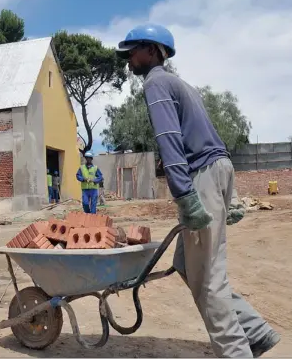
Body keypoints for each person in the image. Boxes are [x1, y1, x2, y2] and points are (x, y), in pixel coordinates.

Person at [115, 24, 279, 358]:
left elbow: (169, 140)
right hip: (218, 170)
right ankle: (255, 333)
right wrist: (229, 195)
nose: (129, 59)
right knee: (190, 265)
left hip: (200, 178)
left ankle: (236, 353)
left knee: (208, 281)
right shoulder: (183, 85)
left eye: (133, 51)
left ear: (152, 49)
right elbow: (213, 140)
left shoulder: (156, 82)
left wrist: (184, 194)